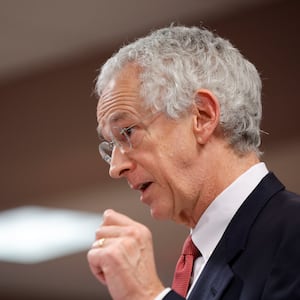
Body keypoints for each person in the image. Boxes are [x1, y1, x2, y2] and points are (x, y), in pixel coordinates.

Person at [87, 25, 300, 299]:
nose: (115, 168)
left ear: (202, 116)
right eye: (111, 146)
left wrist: (148, 295)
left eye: (127, 132)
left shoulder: (293, 232)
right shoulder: (199, 261)